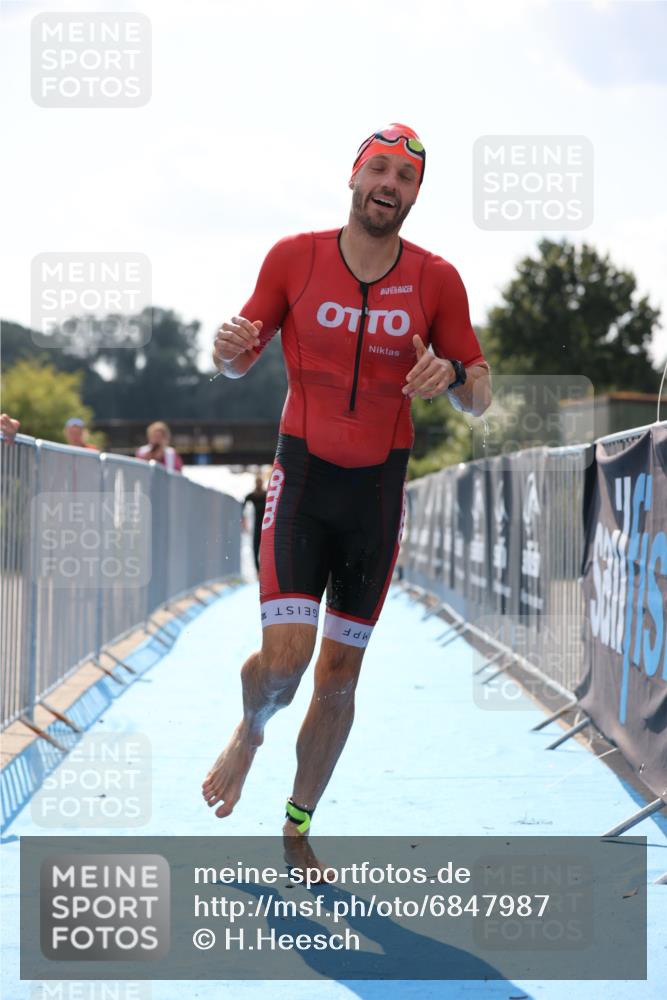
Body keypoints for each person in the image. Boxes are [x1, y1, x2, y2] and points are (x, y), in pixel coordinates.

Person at [202, 124, 492, 874]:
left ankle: (297, 825)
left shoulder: (436, 280)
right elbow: (236, 359)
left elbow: (480, 396)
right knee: (286, 663)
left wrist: (453, 380)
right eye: (379, 170)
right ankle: (250, 727)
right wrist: (224, 350)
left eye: (404, 176)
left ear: (416, 194)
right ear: (353, 177)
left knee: (336, 680)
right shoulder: (292, 258)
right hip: (301, 481)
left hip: (376, 495)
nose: (388, 185)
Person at [243, 473, 267, 572]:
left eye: (260, 482)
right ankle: (258, 570)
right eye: (257, 482)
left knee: (265, 549)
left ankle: (264, 570)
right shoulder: (252, 495)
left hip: (266, 525)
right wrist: (244, 520)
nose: (258, 484)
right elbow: (243, 505)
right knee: (255, 548)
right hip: (257, 526)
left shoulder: (266, 494)